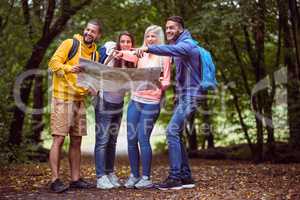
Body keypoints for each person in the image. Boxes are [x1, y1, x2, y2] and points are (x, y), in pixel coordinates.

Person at [136, 16, 203, 190]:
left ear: (180, 28)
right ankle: (186, 177)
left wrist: (148, 47)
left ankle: (175, 178)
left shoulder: (186, 44)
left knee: (172, 131)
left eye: (171, 28)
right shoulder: (179, 45)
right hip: (184, 95)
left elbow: (168, 51)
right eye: (166, 28)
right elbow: (184, 73)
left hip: (191, 95)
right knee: (177, 134)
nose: (168, 31)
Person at [48, 19, 101, 193]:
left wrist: (94, 89)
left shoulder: (95, 55)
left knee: (77, 139)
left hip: (79, 100)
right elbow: (53, 64)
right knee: (59, 138)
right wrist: (70, 69)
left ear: (98, 35)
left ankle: (75, 179)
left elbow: (91, 80)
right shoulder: (70, 43)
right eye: (87, 29)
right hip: (62, 97)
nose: (89, 33)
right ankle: (55, 180)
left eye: (93, 31)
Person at [121, 25, 171, 189]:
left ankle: (146, 178)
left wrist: (159, 83)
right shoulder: (141, 53)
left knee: (143, 138)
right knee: (131, 139)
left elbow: (166, 81)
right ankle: (134, 175)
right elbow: (129, 54)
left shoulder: (165, 56)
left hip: (151, 103)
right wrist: (119, 53)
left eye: (153, 37)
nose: (150, 39)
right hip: (135, 100)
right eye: (147, 36)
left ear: (159, 38)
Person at [94, 32, 136, 189]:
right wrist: (111, 55)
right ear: (118, 43)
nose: (125, 44)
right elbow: (100, 69)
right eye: (123, 41)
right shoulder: (112, 53)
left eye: (128, 41)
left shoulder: (132, 60)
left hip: (118, 104)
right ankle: (100, 177)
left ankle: (109, 172)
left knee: (112, 141)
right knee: (102, 140)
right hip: (104, 103)